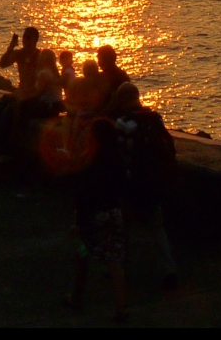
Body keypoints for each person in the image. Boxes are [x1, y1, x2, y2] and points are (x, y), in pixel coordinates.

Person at [108, 82, 180, 289]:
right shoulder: (154, 119)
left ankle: (121, 268)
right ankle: (169, 269)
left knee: (123, 228)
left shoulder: (123, 123)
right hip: (153, 182)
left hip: (131, 184)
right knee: (157, 228)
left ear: (123, 100)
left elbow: (119, 156)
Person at [67, 107, 128, 321]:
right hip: (113, 214)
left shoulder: (89, 161)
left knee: (83, 254)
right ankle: (121, 308)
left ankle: (76, 296)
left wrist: (78, 223)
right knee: (114, 262)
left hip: (92, 218)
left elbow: (82, 195)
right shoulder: (118, 159)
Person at [0, 28, 45, 167]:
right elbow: (3, 64)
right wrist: (11, 46)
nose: (26, 41)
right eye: (24, 37)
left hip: (31, 96)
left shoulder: (41, 57)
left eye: (29, 38)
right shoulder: (19, 54)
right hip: (18, 93)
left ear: (36, 40)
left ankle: (0, 154)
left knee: (6, 115)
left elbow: (44, 86)